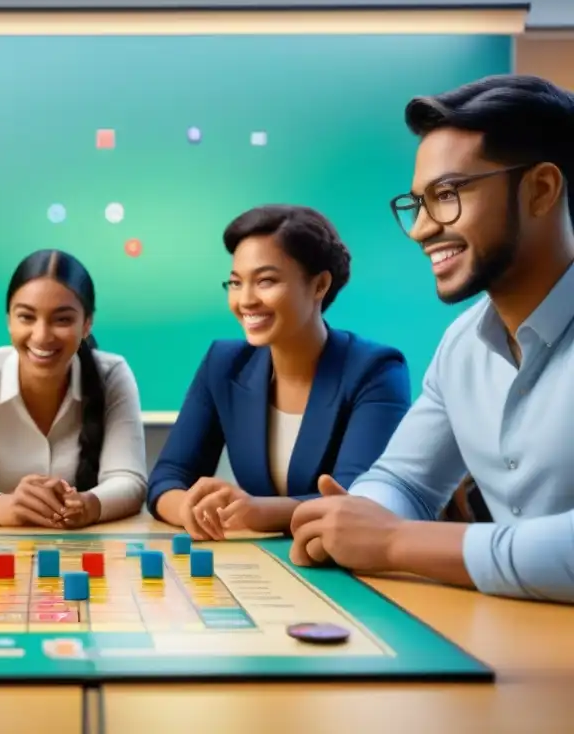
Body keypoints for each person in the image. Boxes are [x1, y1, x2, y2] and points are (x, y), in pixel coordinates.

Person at [288, 74, 574, 604]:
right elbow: (406, 482)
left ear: (540, 190)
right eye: (417, 203)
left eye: (447, 195)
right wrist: (351, 520)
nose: (421, 228)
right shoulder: (462, 345)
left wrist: (396, 542)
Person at [148, 204, 411, 540]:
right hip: (266, 562)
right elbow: (168, 476)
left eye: (266, 281)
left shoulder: (375, 370)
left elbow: (359, 500)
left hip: (347, 564)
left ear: (319, 286)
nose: (245, 300)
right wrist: (187, 508)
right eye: (235, 283)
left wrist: (260, 511)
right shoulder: (223, 363)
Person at [0, 249, 147, 528]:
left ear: (87, 323)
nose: (42, 336)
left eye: (62, 319)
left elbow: (130, 481)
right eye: (26, 317)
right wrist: (5, 506)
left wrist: (88, 505)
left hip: (88, 548)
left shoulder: (112, 375)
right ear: (9, 320)